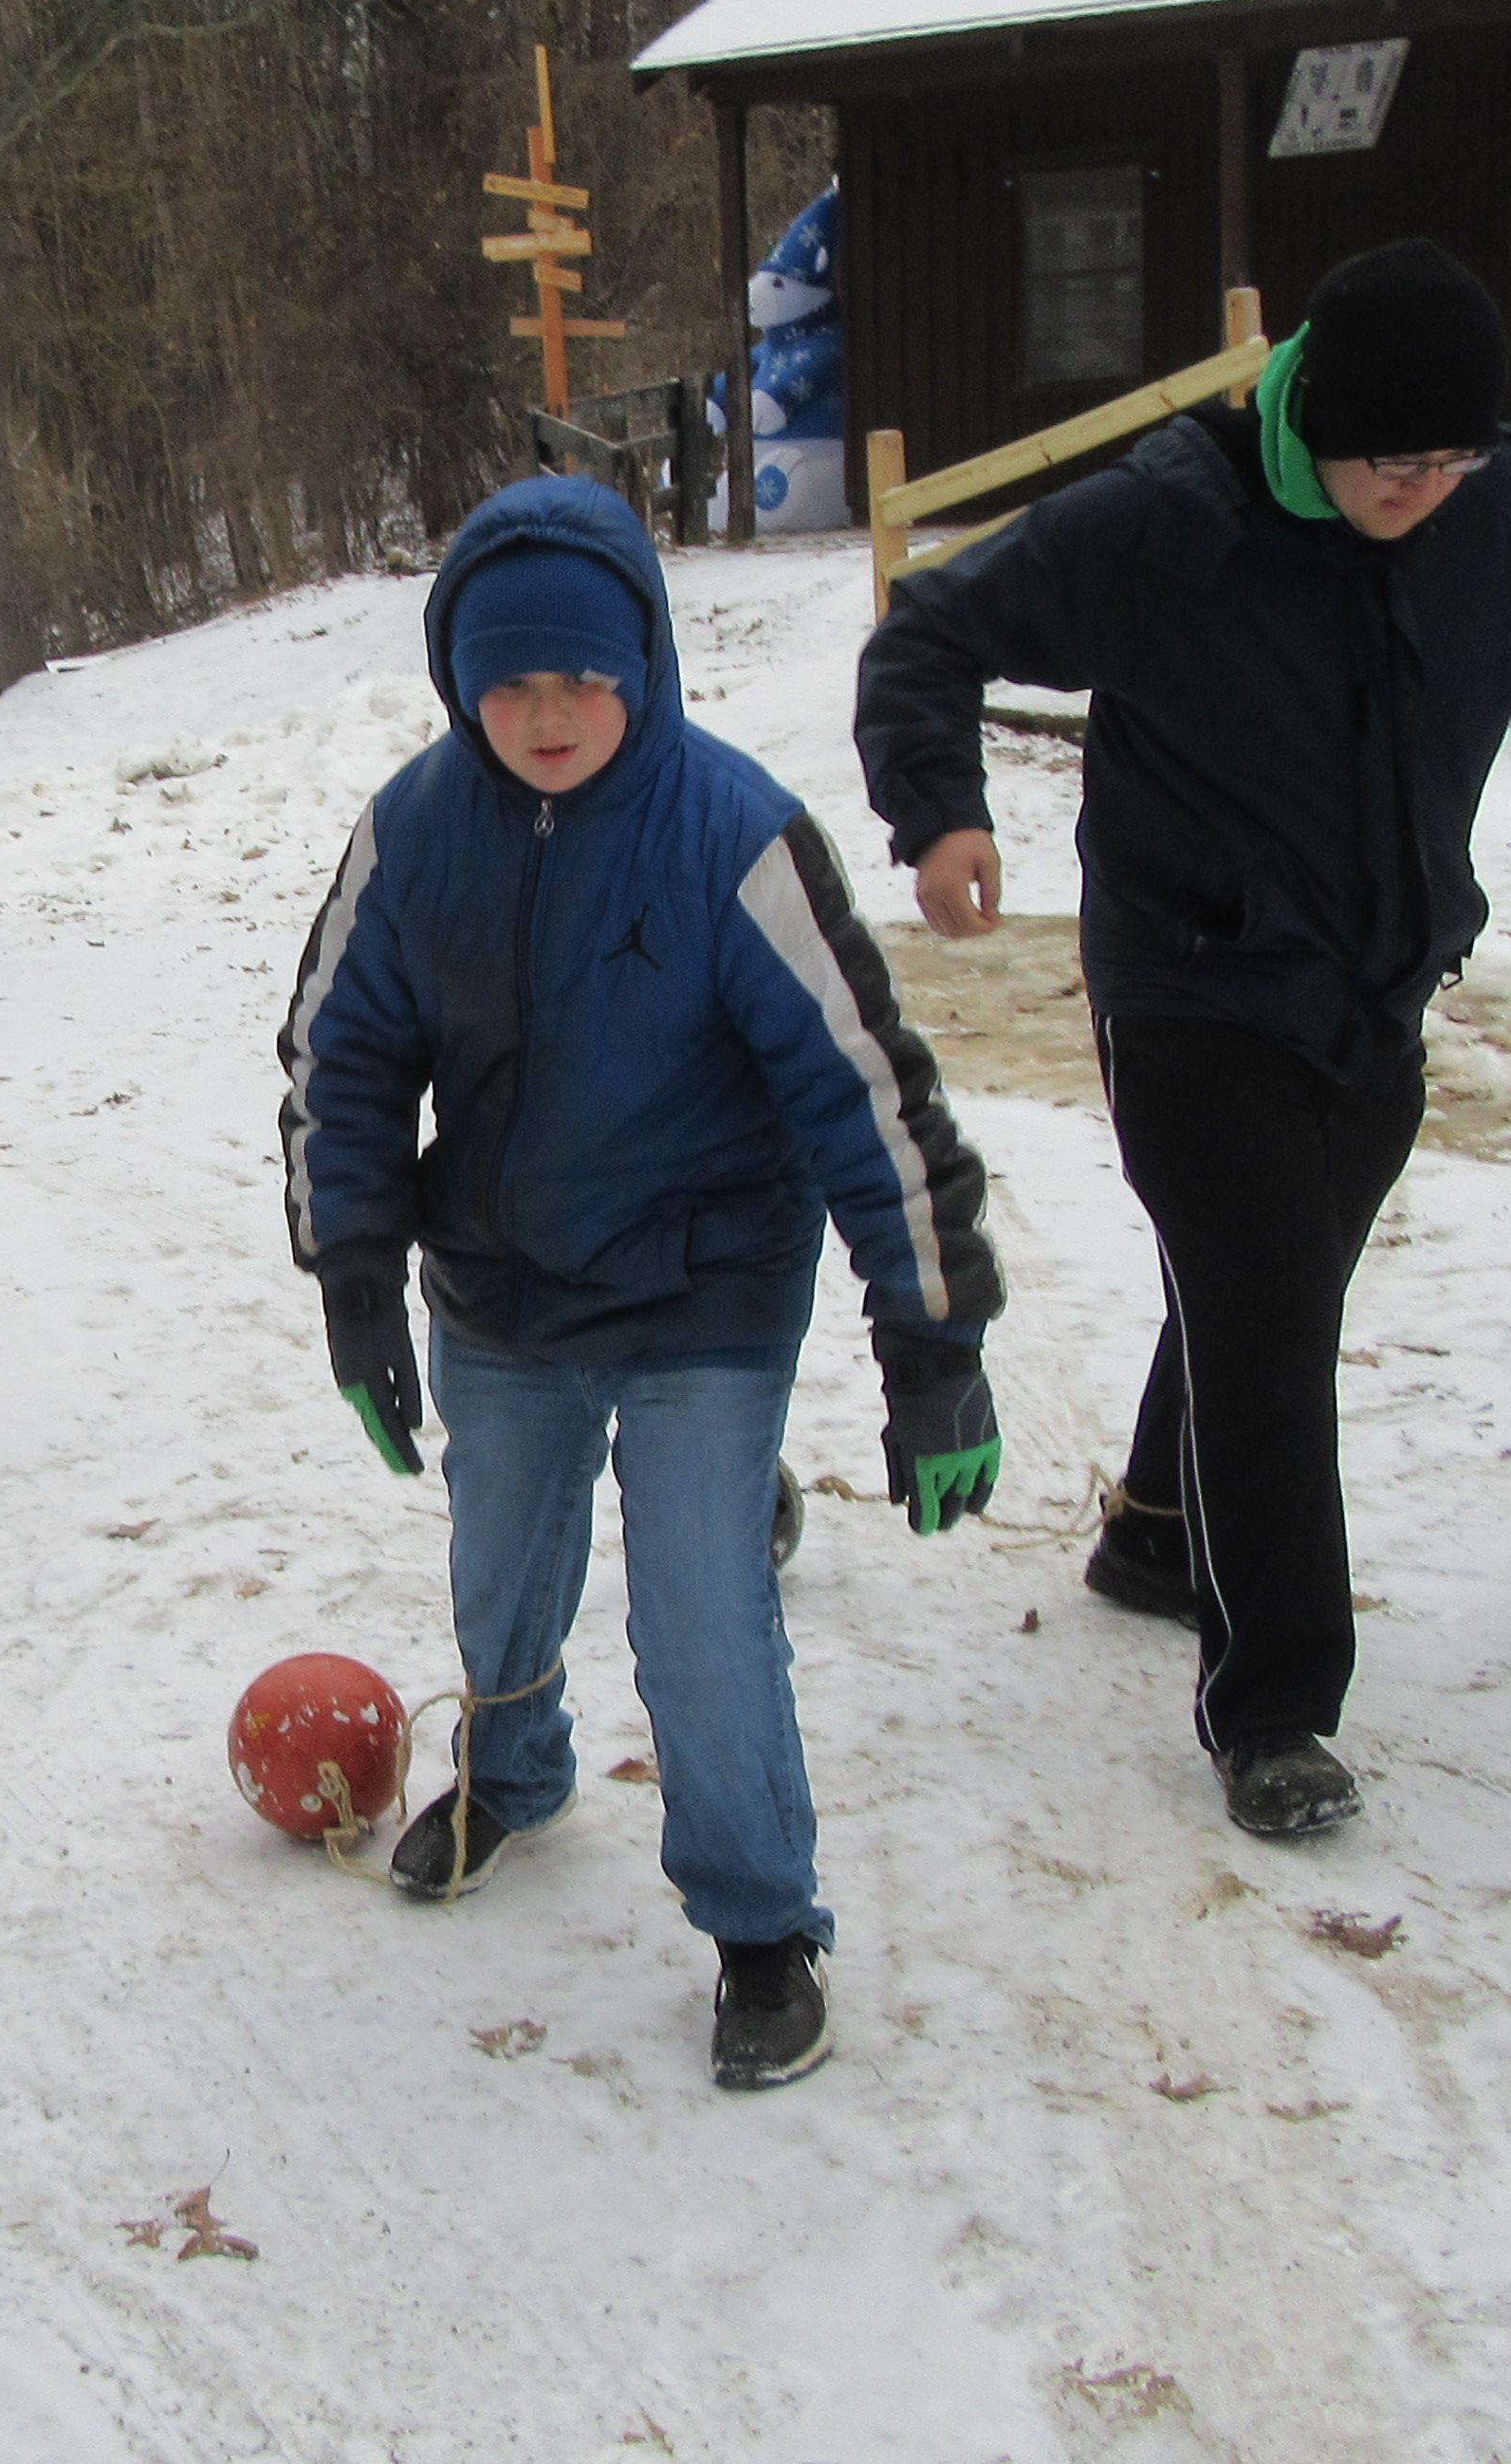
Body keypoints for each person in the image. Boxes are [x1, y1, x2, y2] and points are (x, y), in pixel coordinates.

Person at [856, 239, 1511, 1841]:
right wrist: (939, 810)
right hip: (1185, 986)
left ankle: (1148, 1529)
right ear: (1309, 417)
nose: (1415, 487)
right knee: (1271, 1324)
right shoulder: (1168, 522)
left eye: (1447, 455)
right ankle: (1272, 1704)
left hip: (1374, 988)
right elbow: (928, 631)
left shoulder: (1504, 511)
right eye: (1381, 456)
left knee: (1264, 1290)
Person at [281, 474, 1001, 2090]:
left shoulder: (729, 833)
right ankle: (511, 1767)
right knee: (500, 1559)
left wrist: (930, 1332)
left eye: (582, 678)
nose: (546, 714)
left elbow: (864, 1090)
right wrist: (354, 1274)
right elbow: (342, 1058)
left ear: (643, 667)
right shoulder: (412, 828)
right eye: (509, 682)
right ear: (461, 681)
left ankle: (758, 1924)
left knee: (697, 1613)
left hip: (704, 1291)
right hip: (502, 1285)